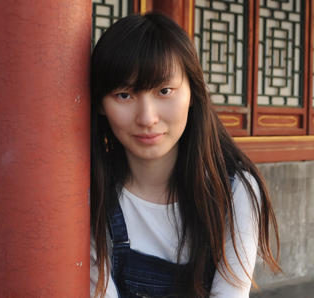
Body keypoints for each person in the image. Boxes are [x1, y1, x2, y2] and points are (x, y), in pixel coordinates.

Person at [90, 13, 281, 298]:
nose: (147, 118)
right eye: (124, 95)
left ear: (192, 93)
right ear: (101, 104)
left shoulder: (234, 190)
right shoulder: (92, 193)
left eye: (164, 91)